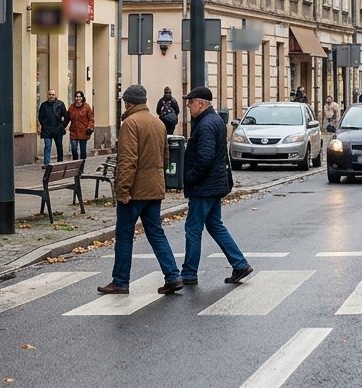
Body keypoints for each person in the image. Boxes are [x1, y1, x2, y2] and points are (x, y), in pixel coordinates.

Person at [97, 85, 183, 295]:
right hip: (154, 188)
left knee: (124, 236)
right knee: (156, 234)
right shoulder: (158, 123)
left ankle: (120, 281)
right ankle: (173, 276)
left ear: (127, 102)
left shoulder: (130, 123)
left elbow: (127, 160)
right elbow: (165, 158)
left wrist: (123, 190)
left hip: (135, 191)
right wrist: (158, 181)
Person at [179, 86, 252, 287]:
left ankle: (189, 273)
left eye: (190, 102)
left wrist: (191, 178)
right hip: (214, 183)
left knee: (193, 229)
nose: (188, 105)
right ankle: (239, 264)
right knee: (214, 225)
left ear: (200, 103)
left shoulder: (205, 125)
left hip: (204, 186)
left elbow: (205, 156)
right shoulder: (214, 121)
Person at [36, 89, 69, 165]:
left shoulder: (60, 104)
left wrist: (63, 126)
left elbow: (66, 116)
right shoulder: (44, 105)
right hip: (47, 130)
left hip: (58, 129)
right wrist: (44, 125)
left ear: (55, 95)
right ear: (48, 95)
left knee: (59, 146)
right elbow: (40, 117)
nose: (51, 96)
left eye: (53, 95)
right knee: (47, 146)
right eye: (50, 94)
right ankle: (46, 163)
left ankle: (60, 162)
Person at [67, 90, 94, 161]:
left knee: (83, 150)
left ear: (82, 98)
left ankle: (82, 165)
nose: (78, 98)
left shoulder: (86, 107)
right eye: (76, 97)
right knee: (74, 149)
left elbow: (91, 119)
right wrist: (62, 126)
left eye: (79, 97)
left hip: (83, 131)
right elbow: (67, 118)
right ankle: (75, 163)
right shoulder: (71, 107)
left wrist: (89, 127)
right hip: (74, 131)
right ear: (75, 98)